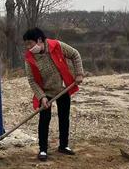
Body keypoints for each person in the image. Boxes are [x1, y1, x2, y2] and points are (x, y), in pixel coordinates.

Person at [23, 28, 84, 161]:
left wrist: (79, 73)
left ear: (39, 40)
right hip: (46, 92)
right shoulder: (29, 58)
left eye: (30, 43)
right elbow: (32, 80)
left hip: (63, 88)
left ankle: (63, 145)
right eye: (26, 44)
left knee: (64, 117)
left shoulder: (57, 46)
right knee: (44, 120)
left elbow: (75, 54)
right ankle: (43, 149)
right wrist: (42, 97)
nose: (28, 47)